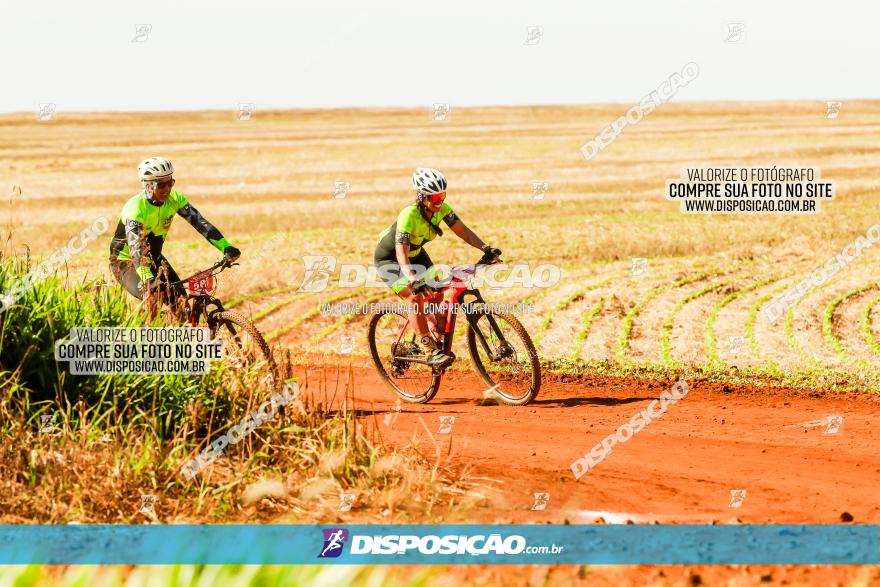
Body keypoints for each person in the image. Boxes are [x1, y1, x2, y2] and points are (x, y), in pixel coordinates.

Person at [374, 167, 500, 367]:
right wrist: (413, 280)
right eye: (434, 198)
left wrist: (485, 248)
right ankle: (428, 347)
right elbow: (401, 253)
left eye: (442, 196)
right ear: (421, 197)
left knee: (437, 295)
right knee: (414, 297)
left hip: (416, 254)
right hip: (391, 259)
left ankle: (430, 332)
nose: (439, 201)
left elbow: (463, 231)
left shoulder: (442, 209)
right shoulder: (409, 215)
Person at [109, 157, 240, 307]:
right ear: (148, 185)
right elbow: (136, 250)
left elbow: (201, 223)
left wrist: (226, 247)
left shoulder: (174, 198)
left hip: (154, 257)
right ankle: (151, 329)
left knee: (181, 304)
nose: (167, 189)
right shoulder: (135, 209)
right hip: (127, 262)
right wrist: (148, 279)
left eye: (170, 183)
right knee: (153, 296)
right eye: (161, 185)